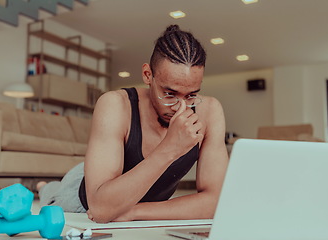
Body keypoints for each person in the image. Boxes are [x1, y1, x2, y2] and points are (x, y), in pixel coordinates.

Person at [38, 24, 229, 223]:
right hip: (81, 196)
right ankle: (45, 188)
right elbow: (102, 209)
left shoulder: (210, 111)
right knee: (52, 194)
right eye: (169, 94)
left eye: (191, 95)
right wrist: (171, 147)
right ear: (147, 75)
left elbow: (216, 201)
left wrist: (134, 212)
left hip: (126, 198)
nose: (180, 108)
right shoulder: (115, 104)